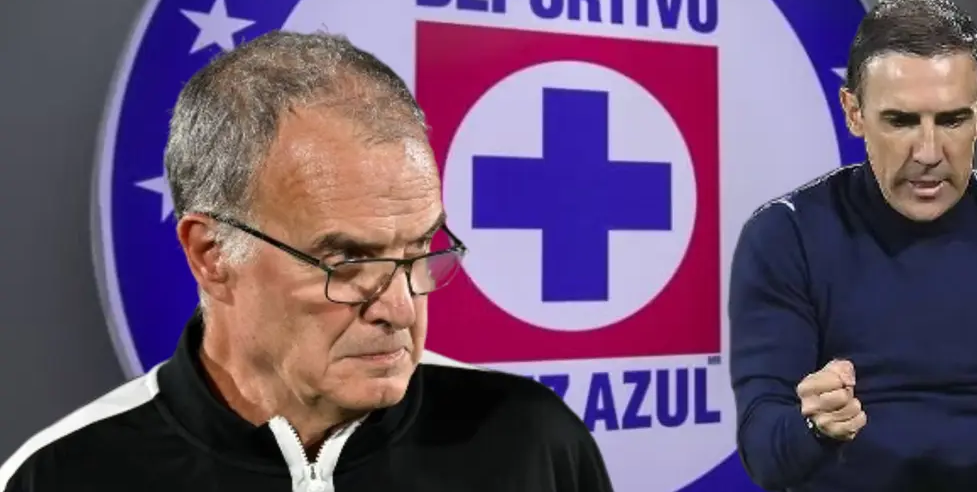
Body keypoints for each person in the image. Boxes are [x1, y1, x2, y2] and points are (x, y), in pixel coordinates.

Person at [0, 32, 614, 492]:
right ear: (211, 254)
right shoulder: (59, 477)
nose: (401, 309)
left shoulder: (533, 441)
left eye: (421, 249)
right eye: (348, 260)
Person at [728, 0, 977, 492]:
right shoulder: (787, 236)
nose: (928, 152)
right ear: (853, 112)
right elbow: (766, 455)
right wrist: (815, 428)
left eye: (951, 120)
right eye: (901, 120)